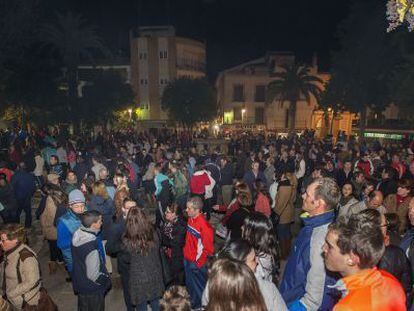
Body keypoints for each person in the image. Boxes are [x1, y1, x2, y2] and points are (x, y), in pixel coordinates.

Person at [280, 177, 341, 310]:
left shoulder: (321, 239)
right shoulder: (311, 225)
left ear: (319, 203)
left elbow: (314, 300)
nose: (302, 196)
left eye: (307, 194)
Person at [323, 213, 406, 310]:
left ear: (351, 259)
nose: (323, 248)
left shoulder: (348, 307)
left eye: (329, 246)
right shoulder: (391, 281)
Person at [202, 239, 287, 311]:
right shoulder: (266, 289)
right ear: (239, 267)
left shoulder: (211, 285)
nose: (257, 261)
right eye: (253, 259)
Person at [123, 206, 164, 310]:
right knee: (155, 302)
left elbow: (127, 259)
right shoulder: (154, 233)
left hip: (138, 278)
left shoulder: (126, 240)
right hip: (154, 273)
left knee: (141, 305)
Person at [71, 210, 111, 311]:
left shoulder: (77, 234)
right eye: (100, 221)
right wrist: (106, 279)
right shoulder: (90, 246)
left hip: (81, 283)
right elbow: (94, 275)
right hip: (92, 289)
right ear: (94, 225)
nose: (102, 223)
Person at [0, 224, 42, 309]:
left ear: (15, 240)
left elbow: (32, 281)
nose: (0, 242)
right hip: (12, 298)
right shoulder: (9, 251)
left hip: (25, 302)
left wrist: (11, 293)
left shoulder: (27, 258)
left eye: (3, 240)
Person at [183, 196, 214, 309]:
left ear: (197, 210)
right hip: (187, 258)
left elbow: (208, 249)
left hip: (195, 263)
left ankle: (200, 307)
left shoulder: (205, 227)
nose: (186, 210)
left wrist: (198, 263)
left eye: (189, 208)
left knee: (199, 289)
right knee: (190, 287)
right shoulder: (191, 218)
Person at [106, 197, 136, 310]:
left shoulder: (140, 220)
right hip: (126, 265)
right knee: (128, 291)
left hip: (139, 263)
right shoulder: (117, 226)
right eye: (129, 208)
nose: (133, 210)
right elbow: (109, 248)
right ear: (123, 209)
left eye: (134, 207)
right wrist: (125, 246)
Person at [242, 212, 280, 282]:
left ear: (253, 233)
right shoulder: (266, 249)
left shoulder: (257, 262)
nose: (241, 227)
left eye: (245, 226)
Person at [39, 177, 66, 274]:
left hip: (52, 228)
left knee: (54, 246)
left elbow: (52, 216)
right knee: (54, 246)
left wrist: (44, 225)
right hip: (54, 228)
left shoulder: (49, 200)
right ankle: (58, 263)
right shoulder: (57, 197)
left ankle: (57, 264)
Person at [57, 189, 86, 274]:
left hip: (88, 256)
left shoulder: (87, 213)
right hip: (74, 259)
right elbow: (62, 244)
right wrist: (80, 239)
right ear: (70, 205)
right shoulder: (64, 221)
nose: (80, 209)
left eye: (82, 205)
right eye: (76, 206)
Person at [161, 203, 187, 285]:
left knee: (178, 278)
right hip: (169, 255)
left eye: (168, 212)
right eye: (166, 211)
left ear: (175, 214)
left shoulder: (181, 226)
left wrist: (162, 241)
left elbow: (175, 243)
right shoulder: (167, 223)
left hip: (178, 257)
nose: (165, 213)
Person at [274, 171, 296, 259]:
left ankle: (283, 254)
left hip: (283, 213)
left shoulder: (283, 187)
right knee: (287, 232)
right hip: (289, 211)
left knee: (281, 233)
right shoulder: (292, 187)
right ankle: (288, 252)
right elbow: (293, 200)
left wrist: (276, 213)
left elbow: (280, 203)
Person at [10, 162, 36, 228]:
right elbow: (34, 187)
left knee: (17, 213)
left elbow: (11, 188)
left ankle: (17, 226)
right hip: (27, 197)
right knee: (28, 212)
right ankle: (28, 226)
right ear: (25, 167)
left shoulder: (15, 176)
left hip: (18, 198)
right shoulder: (30, 175)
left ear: (18, 167)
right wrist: (30, 194)